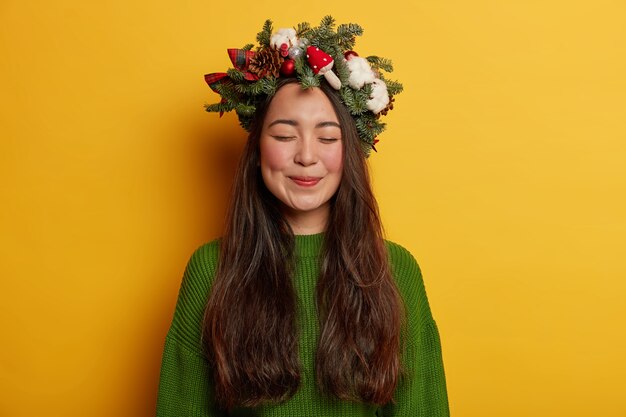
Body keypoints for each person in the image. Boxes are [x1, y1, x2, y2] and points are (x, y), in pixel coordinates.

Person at [156, 17, 449, 417]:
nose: (307, 156)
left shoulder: (396, 271)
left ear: (351, 154)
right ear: (257, 150)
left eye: (327, 137)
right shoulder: (211, 271)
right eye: (284, 135)